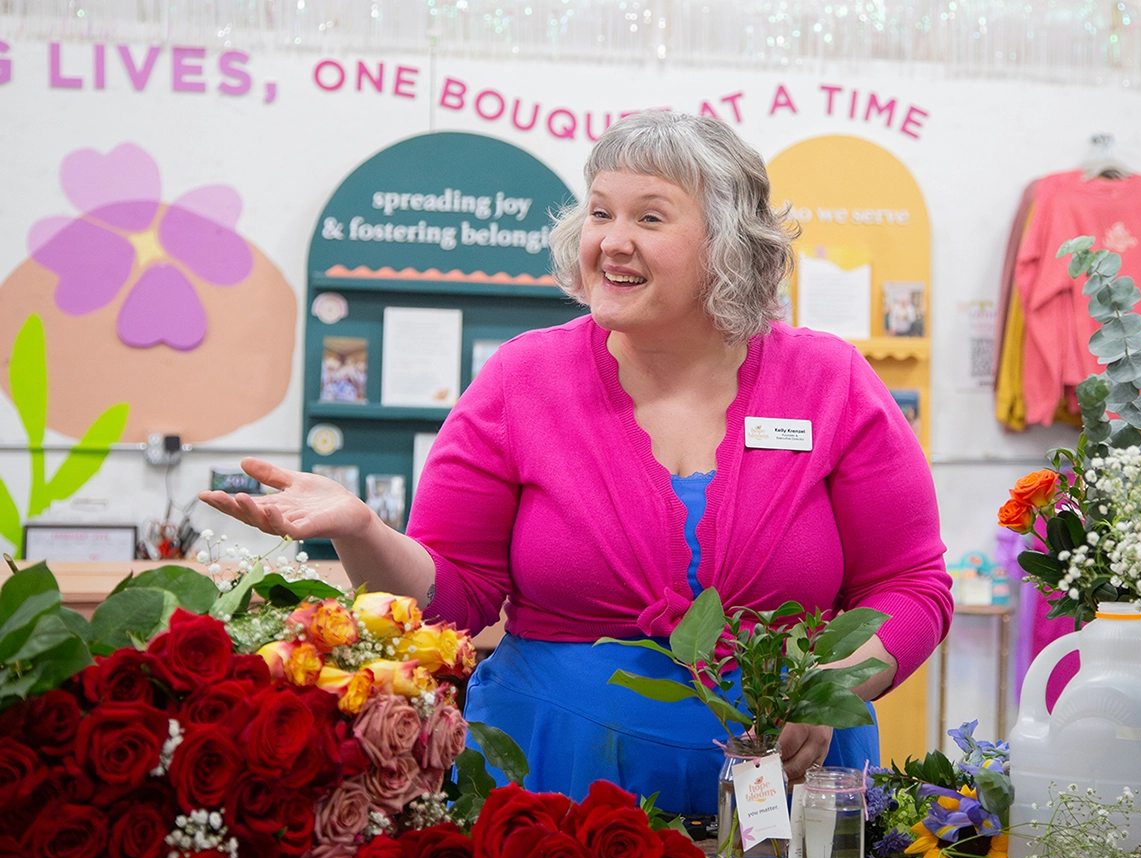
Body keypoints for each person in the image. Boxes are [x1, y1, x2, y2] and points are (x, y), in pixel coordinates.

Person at [200, 111, 954, 814]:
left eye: (648, 217)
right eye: (600, 212)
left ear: (729, 243)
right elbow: (454, 603)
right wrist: (363, 530)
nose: (611, 240)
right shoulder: (521, 380)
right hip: (554, 788)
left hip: (792, 799)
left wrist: (834, 684)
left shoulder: (830, 381)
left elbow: (910, 583)